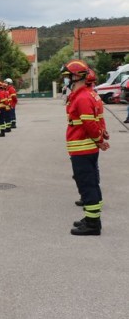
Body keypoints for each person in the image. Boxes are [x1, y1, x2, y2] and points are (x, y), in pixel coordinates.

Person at [61, 60, 108, 236]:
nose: (66, 80)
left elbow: (89, 123)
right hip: (85, 147)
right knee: (91, 182)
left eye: (68, 76)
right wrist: (101, 136)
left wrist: (98, 139)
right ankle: (90, 218)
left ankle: (93, 224)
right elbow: (98, 119)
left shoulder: (82, 97)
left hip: (83, 147)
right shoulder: (87, 95)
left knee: (87, 185)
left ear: (77, 77)